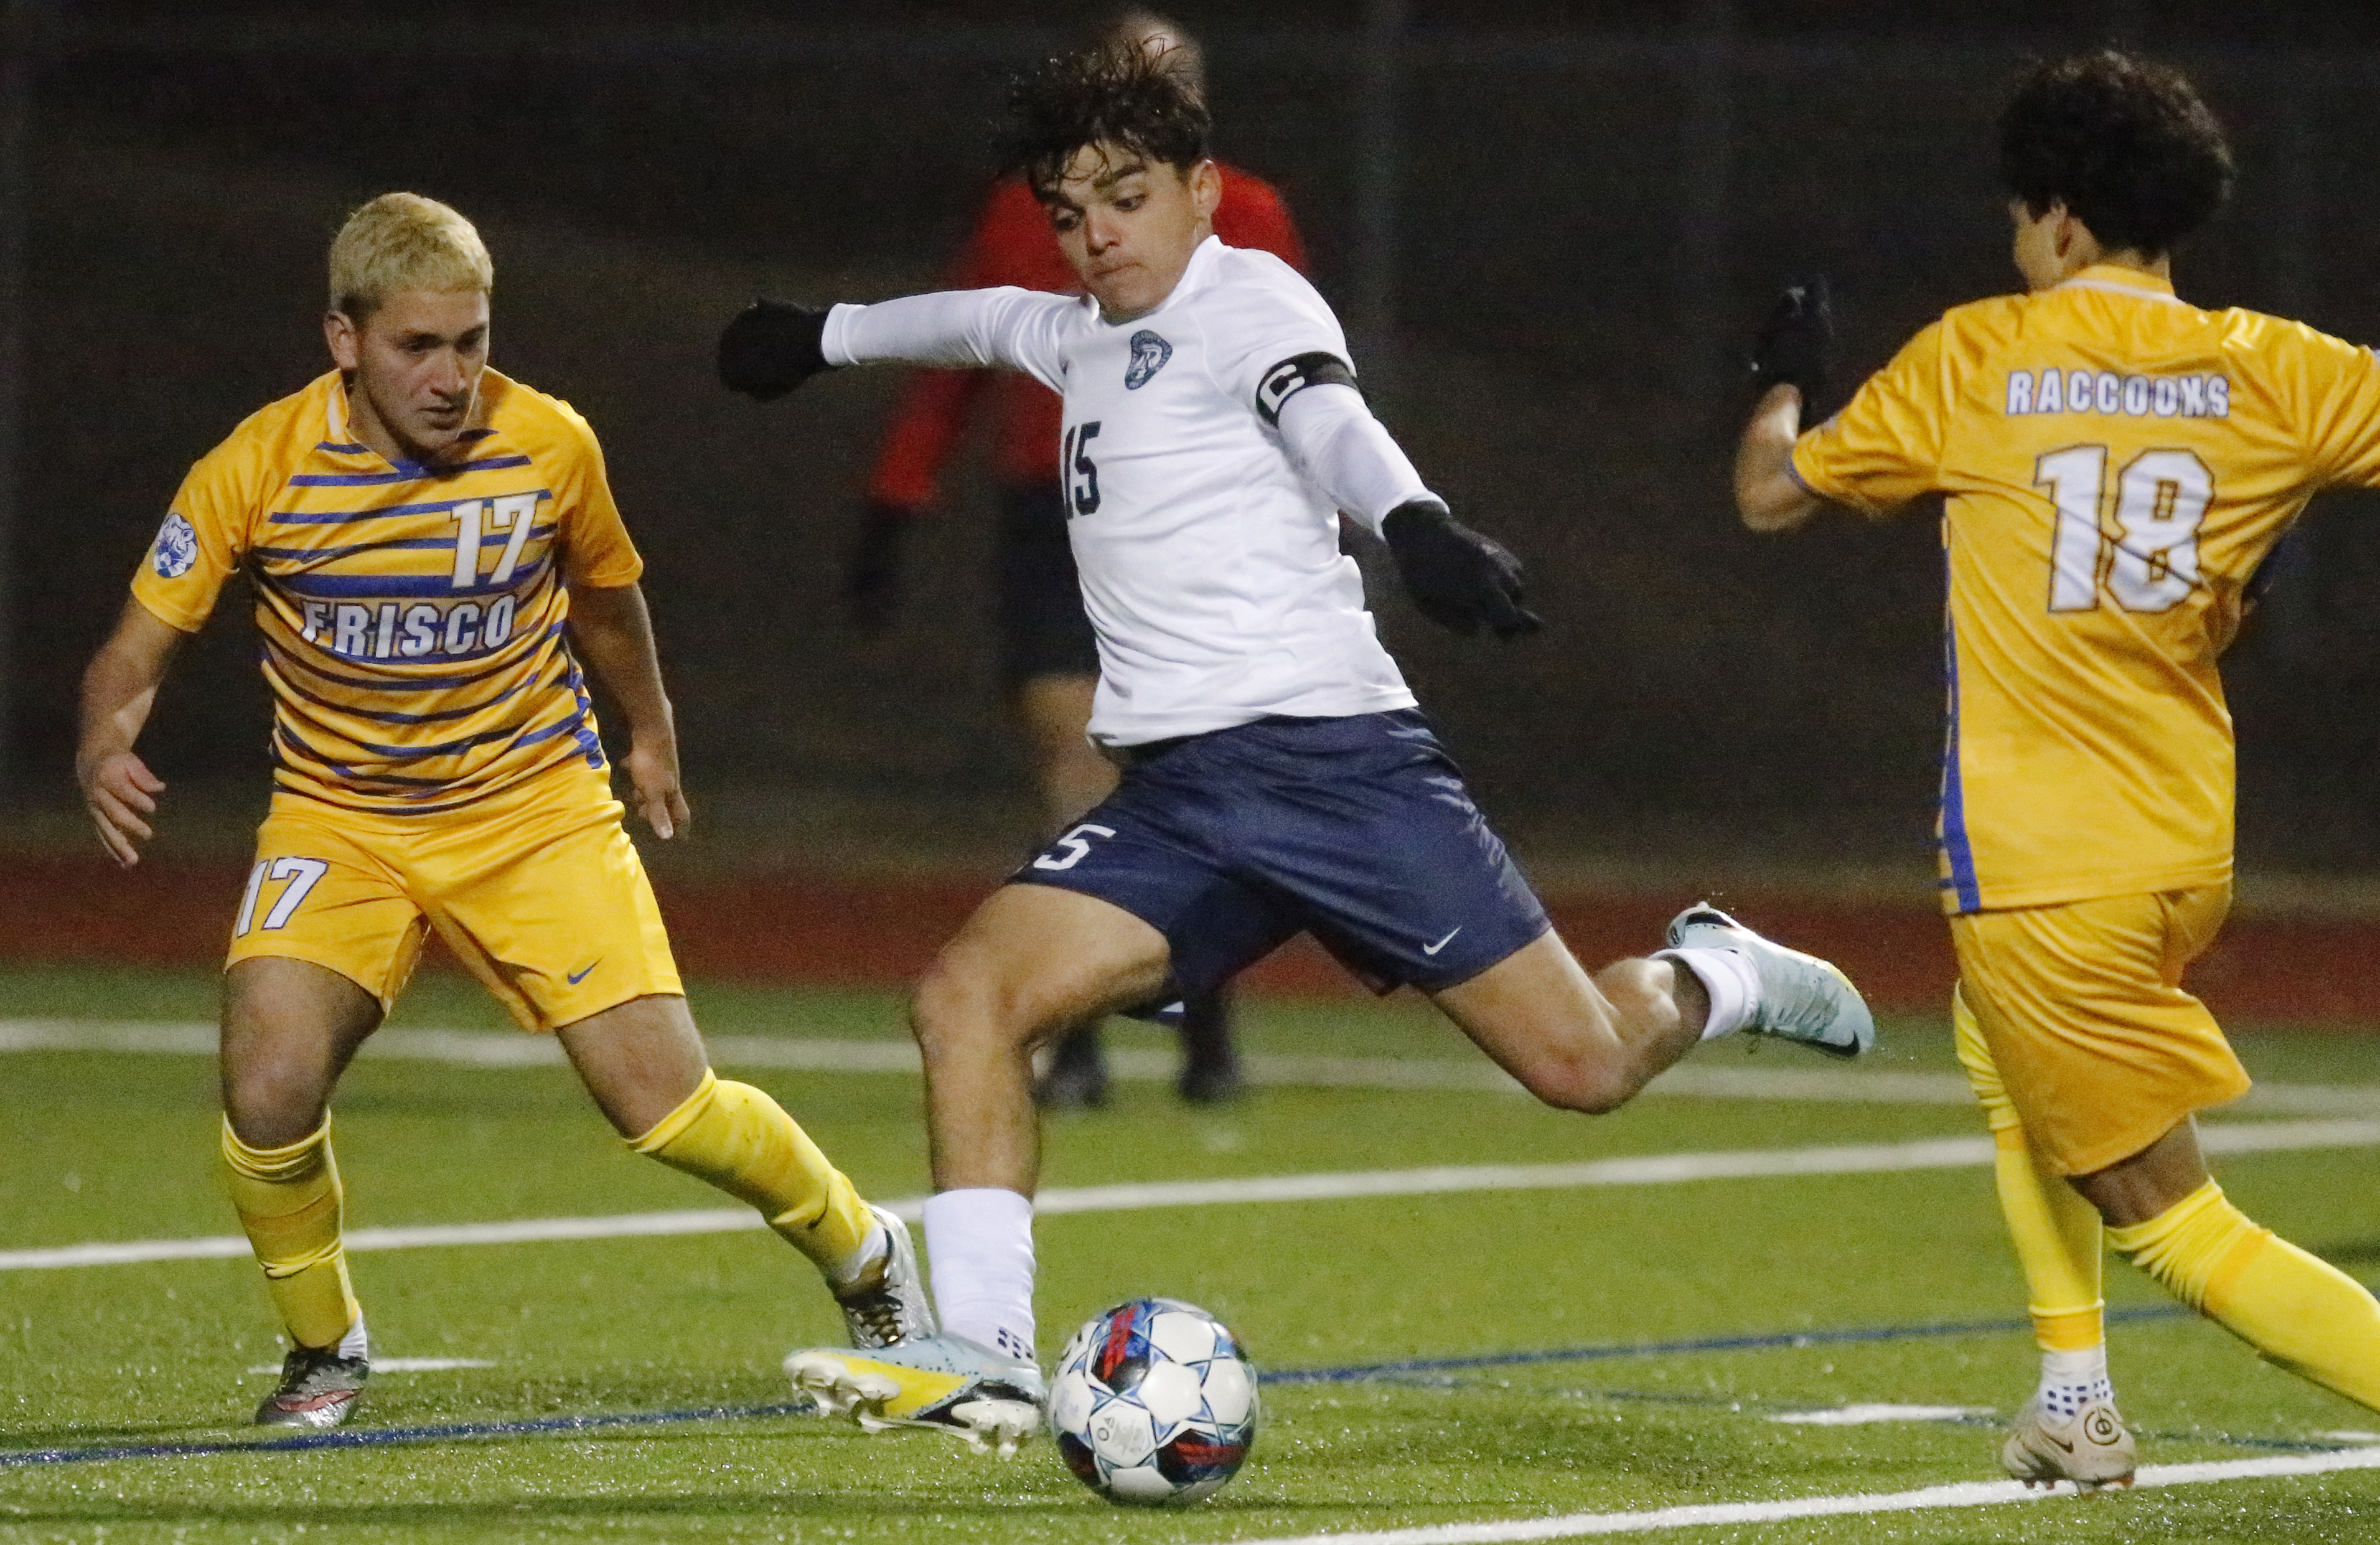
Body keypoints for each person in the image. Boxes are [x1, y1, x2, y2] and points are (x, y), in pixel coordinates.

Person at [719, 40, 1873, 1453]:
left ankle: (1715, 968)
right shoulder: (1069, 325)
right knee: (967, 997)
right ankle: (989, 1354)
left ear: (1203, 192)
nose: (1097, 237)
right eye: (1071, 212)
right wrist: (821, 331)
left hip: (1338, 769)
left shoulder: (1248, 295)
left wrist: (1416, 523)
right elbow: (970, 316)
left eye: (1126, 199)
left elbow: (1324, 415)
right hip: (1183, 799)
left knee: (1581, 1068)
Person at [74, 193, 930, 1430]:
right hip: (341, 820)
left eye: (471, 341)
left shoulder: (547, 444)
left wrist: (650, 732)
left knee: (666, 1106)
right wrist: (106, 736)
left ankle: (863, 1250)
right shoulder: (254, 467)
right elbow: (135, 645)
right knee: (266, 1084)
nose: (452, 375)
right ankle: (324, 1350)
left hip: (534, 809)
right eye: (418, 346)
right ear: (343, 339)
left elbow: (605, 598)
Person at [1734, 50, 2380, 1491]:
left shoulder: (1976, 355)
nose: (2016, 242)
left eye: (2023, 217)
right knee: (1992, 1047)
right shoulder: (2278, 367)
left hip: (2041, 862)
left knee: (2177, 1222)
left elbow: (1770, 493)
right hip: (2178, 846)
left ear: (2064, 223)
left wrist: (1778, 382)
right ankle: (2073, 1398)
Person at [853, 9, 1303, 1109]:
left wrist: (1341, 514)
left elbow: (1300, 379)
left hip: (1203, 525)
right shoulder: (1026, 212)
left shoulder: (1246, 213)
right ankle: (1081, 1027)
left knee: (1196, 766)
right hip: (1052, 516)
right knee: (1077, 762)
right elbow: (955, 360)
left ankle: (1206, 1012)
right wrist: (894, 503)